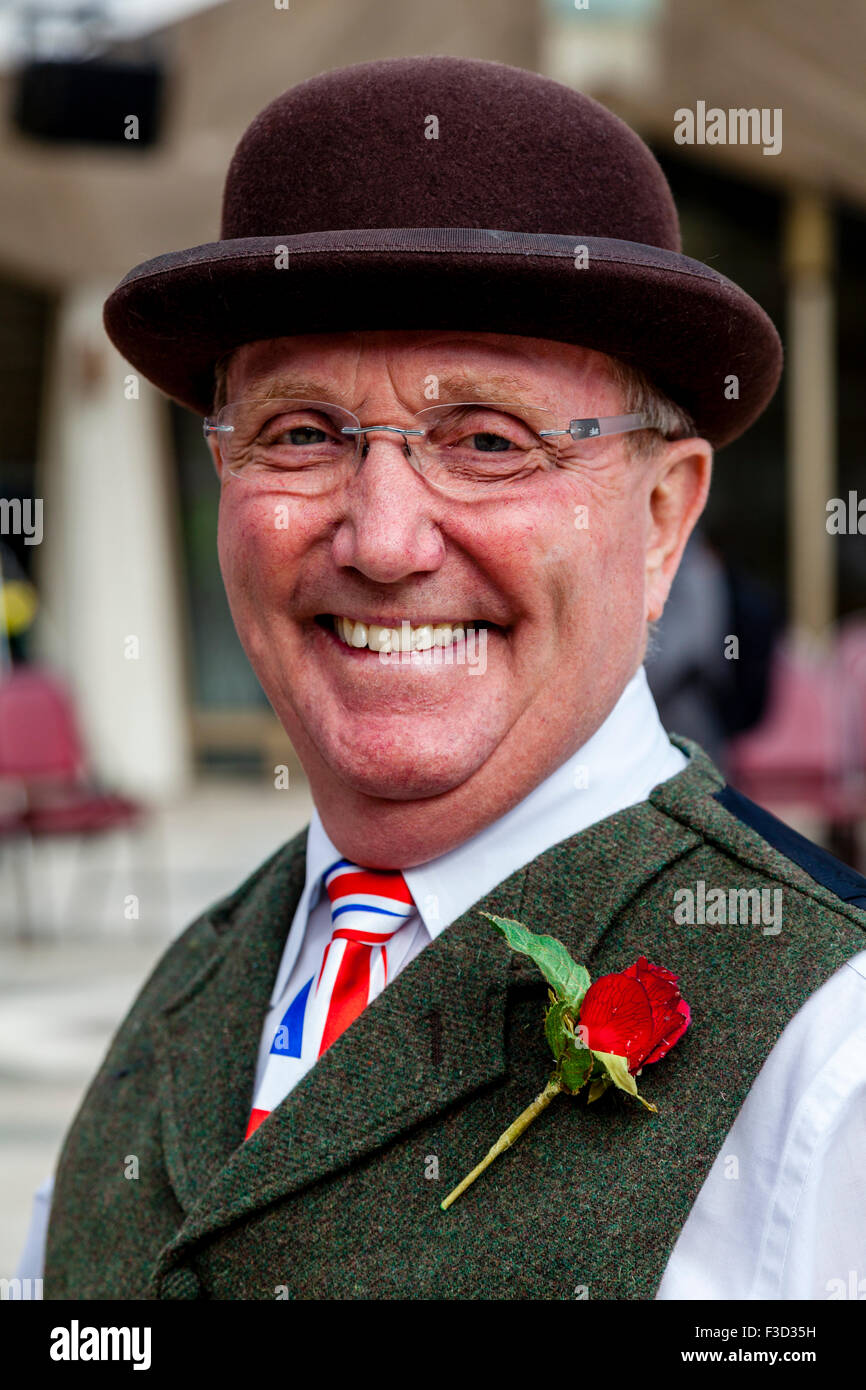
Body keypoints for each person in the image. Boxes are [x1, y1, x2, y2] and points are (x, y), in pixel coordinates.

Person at [27, 56, 866, 1300]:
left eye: (486, 440)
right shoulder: (195, 976)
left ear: (659, 517)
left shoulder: (830, 1062)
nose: (381, 538)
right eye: (300, 433)